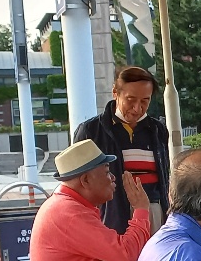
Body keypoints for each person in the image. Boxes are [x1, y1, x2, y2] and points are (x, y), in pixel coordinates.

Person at [73, 66, 170, 234]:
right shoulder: (91, 131)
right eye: (131, 100)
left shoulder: (158, 130)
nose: (137, 108)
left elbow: (164, 178)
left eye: (145, 101)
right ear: (115, 93)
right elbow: (76, 184)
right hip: (111, 216)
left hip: (153, 213)